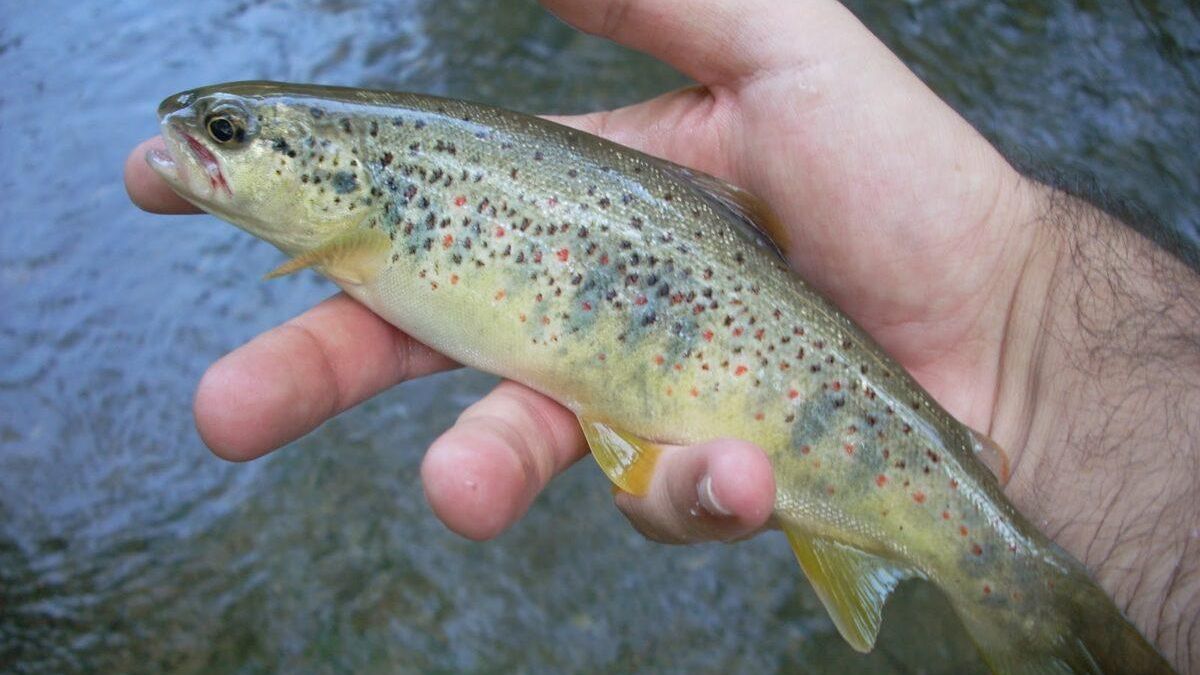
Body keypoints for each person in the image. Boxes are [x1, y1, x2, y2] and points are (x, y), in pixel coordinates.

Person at [124, 0, 1199, 670]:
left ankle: (1006, 582)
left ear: (342, 169)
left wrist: (1024, 305)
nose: (199, 141)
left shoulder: (380, 204)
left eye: (229, 133)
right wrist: (1030, 317)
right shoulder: (372, 218)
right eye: (228, 130)